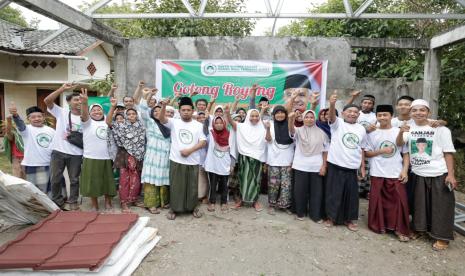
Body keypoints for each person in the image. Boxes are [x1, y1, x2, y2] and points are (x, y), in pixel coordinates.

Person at [397, 99, 457, 251]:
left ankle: (442, 237)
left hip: (438, 172)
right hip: (418, 172)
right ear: (411, 112)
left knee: (441, 207)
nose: (418, 113)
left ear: (428, 112)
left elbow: (448, 153)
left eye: (422, 110)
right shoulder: (408, 127)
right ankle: (419, 230)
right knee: (419, 205)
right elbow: (400, 145)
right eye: (415, 110)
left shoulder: (440, 129)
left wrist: (451, 174)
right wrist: (401, 131)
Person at [365, 104, 410, 241]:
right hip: (377, 172)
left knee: (399, 201)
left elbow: (405, 153)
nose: (382, 117)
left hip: (395, 172)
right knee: (378, 201)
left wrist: (405, 171)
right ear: (376, 117)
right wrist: (382, 151)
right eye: (379, 115)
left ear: (391, 116)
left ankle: (399, 229)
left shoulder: (399, 130)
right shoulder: (372, 133)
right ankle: (380, 225)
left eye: (385, 115)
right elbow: (367, 153)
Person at [159, 96, 207, 220]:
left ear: (192, 111)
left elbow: (203, 141)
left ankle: (192, 208)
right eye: (183, 110)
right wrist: (163, 106)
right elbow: (161, 119)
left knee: (192, 186)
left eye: (188, 110)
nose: (186, 112)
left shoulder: (198, 125)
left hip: (193, 161)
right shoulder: (174, 122)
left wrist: (190, 151)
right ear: (179, 111)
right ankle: (174, 208)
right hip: (176, 160)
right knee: (176, 186)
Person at [325, 92, 367, 231]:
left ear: (358, 115)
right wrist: (331, 104)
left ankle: (349, 220)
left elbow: (362, 148)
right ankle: (331, 218)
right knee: (334, 193)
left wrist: (362, 167)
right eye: (350, 111)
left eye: (356, 112)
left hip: (352, 167)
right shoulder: (338, 124)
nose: (353, 114)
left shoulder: (361, 129)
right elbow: (331, 116)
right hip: (336, 164)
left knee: (351, 196)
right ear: (343, 113)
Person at [44, 83, 82, 210]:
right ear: (68, 102)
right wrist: (62, 89)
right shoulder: (62, 112)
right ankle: (57, 202)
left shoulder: (86, 116)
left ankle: (73, 201)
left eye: (81, 99)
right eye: (76, 99)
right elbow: (47, 100)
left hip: (76, 153)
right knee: (55, 178)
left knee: (74, 180)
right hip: (59, 151)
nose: (79, 102)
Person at [288, 109, 329, 221]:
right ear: (303, 118)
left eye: (311, 117)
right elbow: (291, 130)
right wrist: (291, 119)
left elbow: (325, 151)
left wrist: (324, 166)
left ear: (314, 119)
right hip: (300, 166)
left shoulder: (322, 133)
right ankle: (300, 213)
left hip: (316, 167)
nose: (309, 119)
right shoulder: (298, 131)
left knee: (316, 193)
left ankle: (315, 215)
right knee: (300, 191)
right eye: (306, 117)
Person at [79, 89, 115, 211]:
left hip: (106, 157)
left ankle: (108, 202)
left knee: (107, 181)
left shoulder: (107, 122)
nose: (96, 112)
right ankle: (94, 204)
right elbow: (84, 115)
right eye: (93, 110)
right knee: (92, 182)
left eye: (98, 109)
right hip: (91, 157)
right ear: (90, 113)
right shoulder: (87, 123)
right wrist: (84, 103)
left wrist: (113, 107)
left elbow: (110, 119)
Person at [107, 99, 146, 212]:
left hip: (138, 155)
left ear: (137, 115)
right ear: (125, 115)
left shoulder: (141, 127)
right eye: (128, 114)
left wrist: (136, 155)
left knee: (136, 178)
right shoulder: (120, 126)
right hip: (124, 155)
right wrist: (112, 107)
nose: (131, 116)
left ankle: (133, 199)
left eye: (133, 113)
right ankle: (124, 203)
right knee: (125, 179)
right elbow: (109, 122)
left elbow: (142, 142)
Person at [226, 105, 266, 211]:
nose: (254, 118)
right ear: (248, 116)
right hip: (244, 157)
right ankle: (241, 200)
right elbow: (231, 123)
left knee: (256, 180)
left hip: (257, 158)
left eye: (256, 116)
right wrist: (227, 113)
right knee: (242, 179)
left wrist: (262, 110)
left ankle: (255, 201)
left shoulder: (263, 127)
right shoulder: (242, 127)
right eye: (252, 116)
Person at [138, 90, 171, 214]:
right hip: (153, 157)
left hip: (165, 157)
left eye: (160, 110)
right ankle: (151, 204)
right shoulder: (150, 122)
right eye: (155, 111)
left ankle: (163, 202)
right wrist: (148, 95)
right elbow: (142, 109)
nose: (157, 113)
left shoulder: (169, 124)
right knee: (151, 180)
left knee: (163, 178)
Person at [9, 104, 55, 193]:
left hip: (50, 164)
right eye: (33, 117)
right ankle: (38, 206)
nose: (37, 119)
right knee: (36, 191)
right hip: (33, 165)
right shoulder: (26, 130)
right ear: (28, 119)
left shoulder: (51, 130)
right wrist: (15, 115)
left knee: (50, 189)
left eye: (39, 116)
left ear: (43, 117)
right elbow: (20, 124)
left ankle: (49, 206)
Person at [264, 105, 295, 215]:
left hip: (287, 160)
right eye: (277, 113)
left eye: (282, 113)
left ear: (285, 115)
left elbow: (293, 136)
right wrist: (267, 128)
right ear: (274, 115)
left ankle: (284, 205)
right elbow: (268, 140)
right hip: (274, 160)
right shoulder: (270, 125)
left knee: (286, 185)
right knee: (273, 184)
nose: (280, 115)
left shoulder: (290, 125)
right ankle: (272, 205)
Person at [204, 116, 231, 212]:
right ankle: (212, 202)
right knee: (213, 184)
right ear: (213, 124)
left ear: (224, 124)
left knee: (224, 185)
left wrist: (232, 164)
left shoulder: (229, 134)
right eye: (216, 123)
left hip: (225, 164)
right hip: (213, 164)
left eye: (221, 123)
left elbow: (233, 150)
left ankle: (224, 202)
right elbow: (205, 126)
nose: (219, 125)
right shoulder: (211, 134)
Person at [2, 114, 25, 179]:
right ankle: (18, 189)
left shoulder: (25, 133)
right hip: (16, 158)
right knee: (17, 177)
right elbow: (9, 132)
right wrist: (9, 121)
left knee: (26, 177)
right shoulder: (13, 134)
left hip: (27, 158)